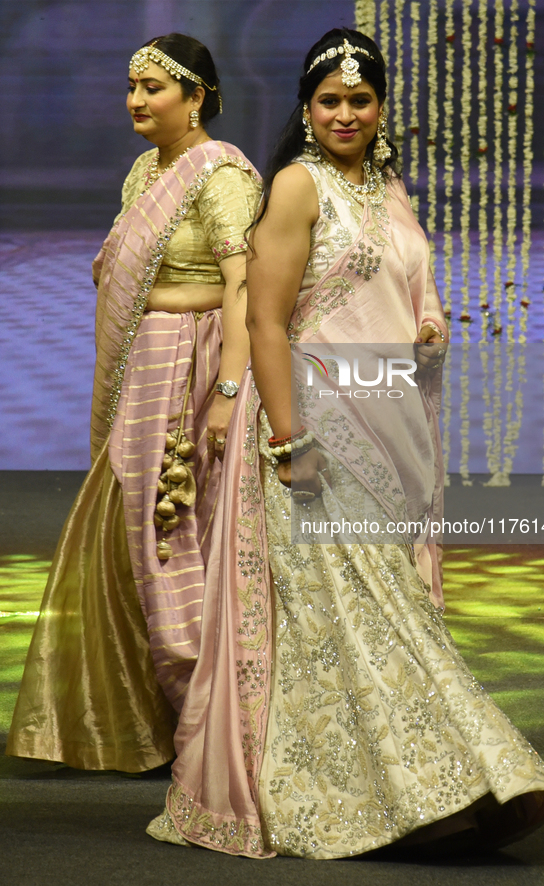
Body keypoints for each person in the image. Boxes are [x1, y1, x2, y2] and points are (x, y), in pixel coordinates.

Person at [146, 28, 544, 857]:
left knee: (383, 613)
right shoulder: (297, 188)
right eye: (329, 100)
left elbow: (412, 278)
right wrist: (288, 439)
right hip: (316, 433)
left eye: (360, 100)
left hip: (388, 426)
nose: (345, 113)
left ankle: (426, 780)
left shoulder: (386, 186)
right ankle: (424, 787)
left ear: (380, 108)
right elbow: (265, 319)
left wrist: (430, 317)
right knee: (357, 618)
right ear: (307, 108)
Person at [7, 34, 260, 772]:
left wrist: (228, 392)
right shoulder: (146, 171)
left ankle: (218, 725)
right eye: (131, 86)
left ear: (198, 96)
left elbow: (247, 289)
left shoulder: (225, 176)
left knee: (174, 531)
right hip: (143, 368)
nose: (135, 101)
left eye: (153, 88)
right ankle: (148, 717)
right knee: (130, 532)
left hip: (196, 365)